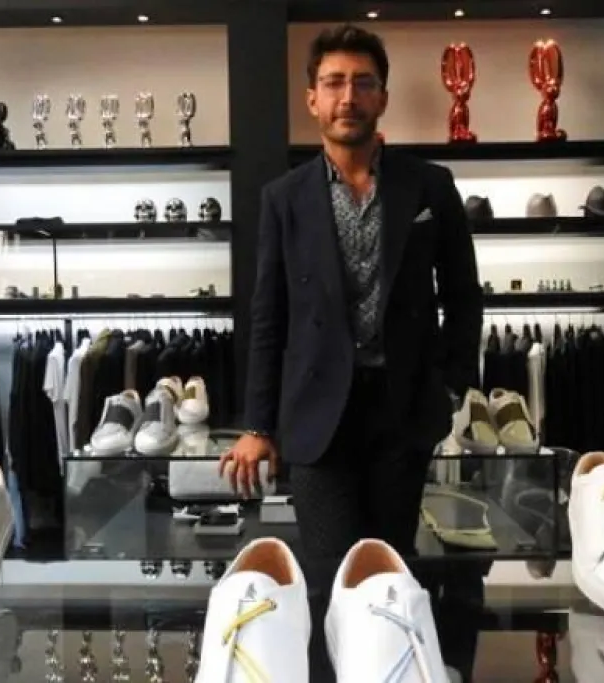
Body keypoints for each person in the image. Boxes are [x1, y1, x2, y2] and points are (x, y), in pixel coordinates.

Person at [220, 23, 483, 569]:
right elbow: (269, 317)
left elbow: (463, 296)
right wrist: (257, 425)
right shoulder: (283, 199)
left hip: (404, 409)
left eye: (363, 83)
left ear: (382, 97)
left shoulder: (431, 186)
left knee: (391, 569)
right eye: (334, 82)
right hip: (317, 413)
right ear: (312, 99)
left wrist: (452, 388)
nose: (348, 96)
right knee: (328, 573)